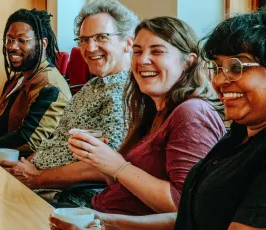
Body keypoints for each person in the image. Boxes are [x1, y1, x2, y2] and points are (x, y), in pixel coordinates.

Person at [51, 10, 266, 230]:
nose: (220, 80)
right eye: (218, 67)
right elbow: (192, 217)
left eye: (236, 67)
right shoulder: (239, 136)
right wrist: (106, 223)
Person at [63, 16, 225, 214]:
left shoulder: (191, 114)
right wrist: (101, 160)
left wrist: (118, 166)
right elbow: (127, 186)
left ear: (188, 62)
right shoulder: (154, 110)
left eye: (156, 51)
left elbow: (181, 206)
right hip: (100, 216)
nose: (142, 60)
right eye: (137, 51)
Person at [0, 0, 134, 193]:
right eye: (84, 40)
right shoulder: (92, 86)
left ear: (127, 43)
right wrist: (21, 167)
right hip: (35, 181)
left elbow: (106, 166)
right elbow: (56, 141)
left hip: (64, 197)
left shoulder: (125, 93)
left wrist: (37, 178)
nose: (90, 47)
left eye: (101, 37)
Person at [0, 8, 71, 156]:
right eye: (9, 40)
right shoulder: (18, 79)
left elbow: (30, 140)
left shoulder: (49, 85)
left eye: (22, 40)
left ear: (43, 43)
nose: (12, 46)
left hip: (16, 167)